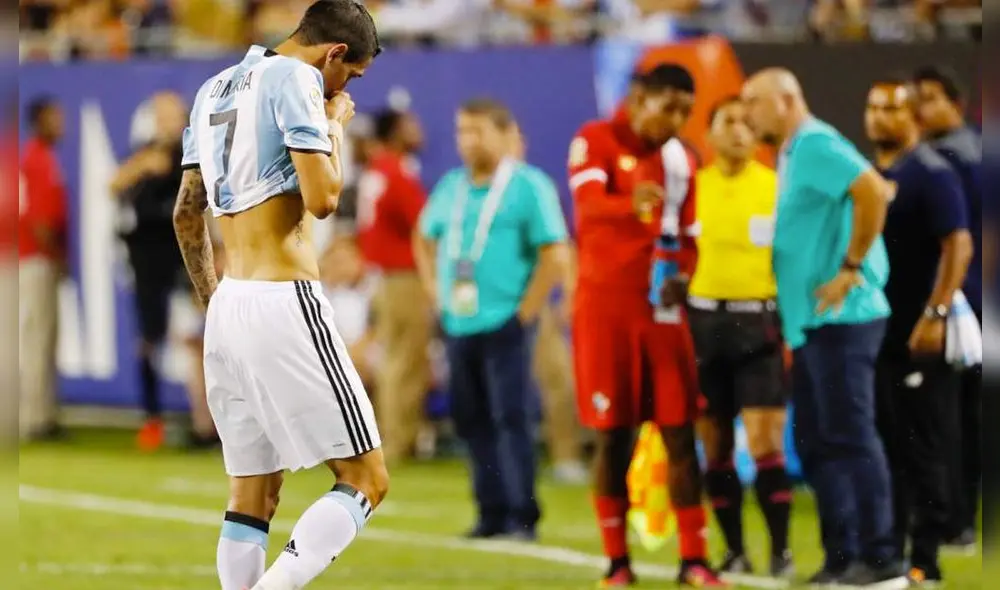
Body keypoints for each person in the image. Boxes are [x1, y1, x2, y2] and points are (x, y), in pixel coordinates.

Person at [170, 2, 387, 590]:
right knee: (366, 477)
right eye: (351, 76)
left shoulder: (213, 87)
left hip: (230, 304)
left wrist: (213, 300)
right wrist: (335, 119)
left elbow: (187, 214)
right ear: (334, 53)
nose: (345, 88)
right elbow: (322, 199)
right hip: (283, 298)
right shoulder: (298, 78)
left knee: (254, 492)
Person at [741, 68, 904, 588]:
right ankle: (843, 557)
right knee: (817, 443)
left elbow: (873, 191)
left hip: (842, 319)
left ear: (787, 100)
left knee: (849, 436)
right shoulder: (791, 154)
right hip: (811, 324)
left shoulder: (813, 143)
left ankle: (881, 560)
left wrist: (851, 267)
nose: (747, 114)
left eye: (754, 103)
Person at [567, 64, 725, 588]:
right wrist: (626, 204)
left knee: (681, 433)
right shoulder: (596, 139)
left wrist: (684, 274)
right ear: (639, 98)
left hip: (661, 313)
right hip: (605, 313)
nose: (676, 120)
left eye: (686, 111)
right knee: (613, 439)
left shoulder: (682, 160)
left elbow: (690, 237)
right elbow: (588, 209)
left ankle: (694, 561)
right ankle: (618, 563)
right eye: (668, 106)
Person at [412, 98, 570, 540]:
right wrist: (433, 290)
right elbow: (423, 237)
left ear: (505, 134)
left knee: (511, 418)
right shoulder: (451, 187)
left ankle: (523, 514)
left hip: (506, 321)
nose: (467, 141)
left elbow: (554, 252)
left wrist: (527, 311)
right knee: (472, 419)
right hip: (460, 321)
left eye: (477, 131)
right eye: (462, 131)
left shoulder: (527, 186)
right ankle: (490, 511)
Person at [866, 79, 973, 587]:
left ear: (914, 117)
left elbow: (959, 245)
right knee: (888, 442)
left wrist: (935, 314)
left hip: (918, 332)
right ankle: (889, 553)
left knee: (923, 444)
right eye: (872, 107)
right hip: (880, 331)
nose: (878, 117)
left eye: (890, 108)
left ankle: (925, 558)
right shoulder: (875, 174)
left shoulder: (931, 172)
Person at [680, 97, 793, 577]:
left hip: (759, 323)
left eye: (749, 123)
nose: (739, 132)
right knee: (717, 444)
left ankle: (781, 550)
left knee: (766, 442)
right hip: (703, 325)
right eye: (728, 122)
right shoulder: (689, 189)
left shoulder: (777, 188)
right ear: (707, 134)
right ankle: (733, 550)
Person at [913, 65, 983, 551]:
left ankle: (950, 521)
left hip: (956, 304)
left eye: (930, 99)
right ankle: (962, 521)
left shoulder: (940, 161)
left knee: (944, 418)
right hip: (971, 301)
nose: (919, 108)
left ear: (956, 104)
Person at [508, 121, 587, 485]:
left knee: (558, 381)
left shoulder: (533, 185)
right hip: (490, 309)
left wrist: (568, 292)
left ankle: (566, 455)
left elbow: (559, 247)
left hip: (533, 306)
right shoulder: (467, 187)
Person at [111, 90, 187, 452]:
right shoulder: (146, 154)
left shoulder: (192, 152)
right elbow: (114, 184)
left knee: (201, 336)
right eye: (162, 115)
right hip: (147, 255)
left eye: (172, 114)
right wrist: (143, 163)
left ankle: (211, 423)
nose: (167, 122)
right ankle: (152, 418)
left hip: (185, 253)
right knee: (149, 338)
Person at [356, 108, 433, 465]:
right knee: (405, 359)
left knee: (395, 359)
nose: (418, 130)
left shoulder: (377, 170)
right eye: (410, 125)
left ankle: (394, 436)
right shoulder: (396, 171)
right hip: (403, 275)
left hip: (384, 276)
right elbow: (424, 224)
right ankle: (398, 440)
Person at [19, 96, 67, 441]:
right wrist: (56, 253)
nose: (60, 124)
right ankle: (33, 419)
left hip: (39, 258)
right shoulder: (37, 159)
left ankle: (44, 414)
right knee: (35, 338)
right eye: (55, 117)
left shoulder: (41, 157)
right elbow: (39, 219)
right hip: (35, 258)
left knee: (44, 338)